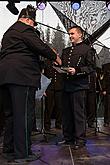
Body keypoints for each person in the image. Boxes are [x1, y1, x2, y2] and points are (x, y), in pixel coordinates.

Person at [0, 5, 61, 163]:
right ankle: (23, 153)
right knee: (24, 115)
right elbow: (40, 46)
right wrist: (54, 56)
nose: (34, 27)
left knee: (11, 115)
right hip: (22, 77)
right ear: (28, 20)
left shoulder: (8, 33)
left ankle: (8, 149)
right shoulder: (25, 29)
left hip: (5, 77)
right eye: (34, 24)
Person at [59, 26, 96, 149]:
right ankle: (68, 138)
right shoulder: (66, 50)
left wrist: (77, 70)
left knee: (78, 114)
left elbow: (91, 67)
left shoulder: (87, 50)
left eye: (72, 34)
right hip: (66, 85)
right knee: (67, 114)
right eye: (69, 34)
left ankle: (80, 140)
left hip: (79, 86)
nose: (70, 36)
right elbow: (64, 65)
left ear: (80, 35)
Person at [44, 59, 63, 131]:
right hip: (49, 88)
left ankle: (58, 124)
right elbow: (43, 75)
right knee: (48, 107)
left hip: (59, 87)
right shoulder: (47, 63)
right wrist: (43, 89)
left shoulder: (61, 62)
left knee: (59, 107)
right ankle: (47, 125)